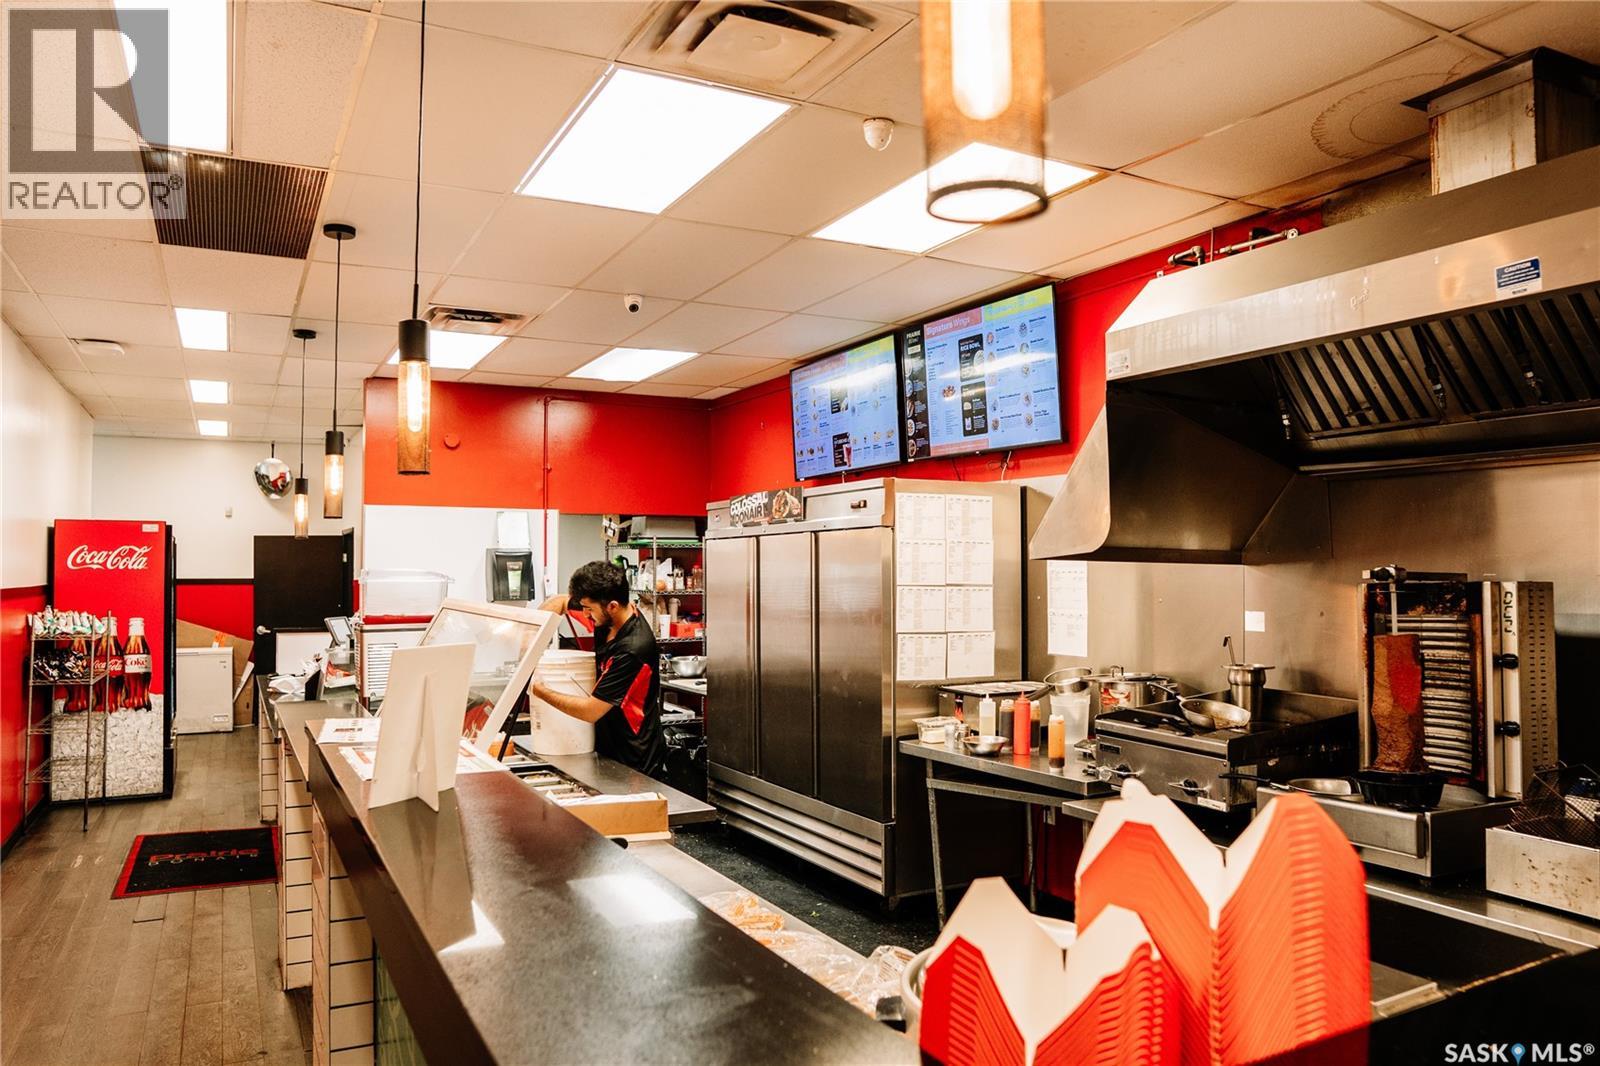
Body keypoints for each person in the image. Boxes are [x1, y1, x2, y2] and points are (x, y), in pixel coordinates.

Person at [532, 561, 663, 776]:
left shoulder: (633, 649)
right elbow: (559, 602)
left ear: (612, 606)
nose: (584, 615)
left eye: (589, 609)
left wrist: (539, 691)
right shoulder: (605, 617)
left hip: (635, 761)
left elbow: (590, 711)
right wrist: (530, 642)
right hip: (606, 750)